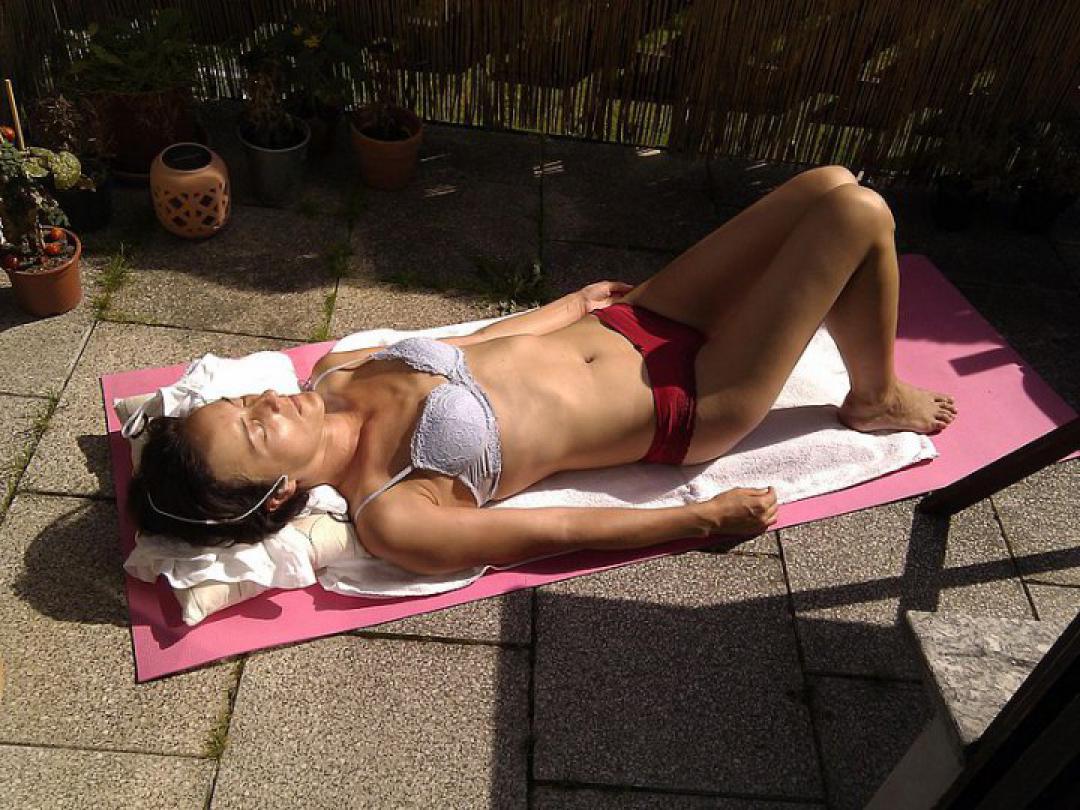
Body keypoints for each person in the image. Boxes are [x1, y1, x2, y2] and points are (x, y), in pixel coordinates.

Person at [128, 166, 956, 575]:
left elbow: (476, 343)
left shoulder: (337, 372)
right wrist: (699, 519)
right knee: (858, 214)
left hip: (638, 320)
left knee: (827, 184)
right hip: (689, 400)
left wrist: (569, 306)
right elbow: (557, 531)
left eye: (243, 398)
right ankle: (873, 397)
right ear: (279, 494)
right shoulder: (390, 513)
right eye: (254, 428)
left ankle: (873, 386)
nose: (267, 398)